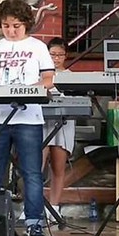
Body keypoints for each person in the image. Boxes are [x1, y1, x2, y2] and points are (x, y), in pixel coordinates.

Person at [0, 0, 54, 236]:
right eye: (6, 26)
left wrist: (26, 91)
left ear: (26, 24)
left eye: (16, 26)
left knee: (31, 172)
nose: (11, 31)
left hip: (28, 118)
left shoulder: (38, 47)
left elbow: (49, 79)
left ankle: (34, 223)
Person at [42, 37, 75, 222]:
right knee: (35, 166)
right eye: (52, 54)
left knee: (58, 167)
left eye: (60, 55)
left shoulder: (69, 75)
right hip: (42, 122)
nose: (56, 58)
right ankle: (33, 206)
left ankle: (54, 207)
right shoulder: (40, 76)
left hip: (63, 123)